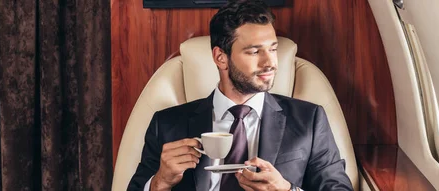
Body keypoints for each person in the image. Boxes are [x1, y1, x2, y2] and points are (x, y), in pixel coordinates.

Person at [128, 0, 353, 190]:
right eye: (255, 51)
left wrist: (286, 189)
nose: (270, 63)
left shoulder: (309, 120)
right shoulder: (166, 124)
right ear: (220, 58)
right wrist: (159, 182)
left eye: (273, 49)